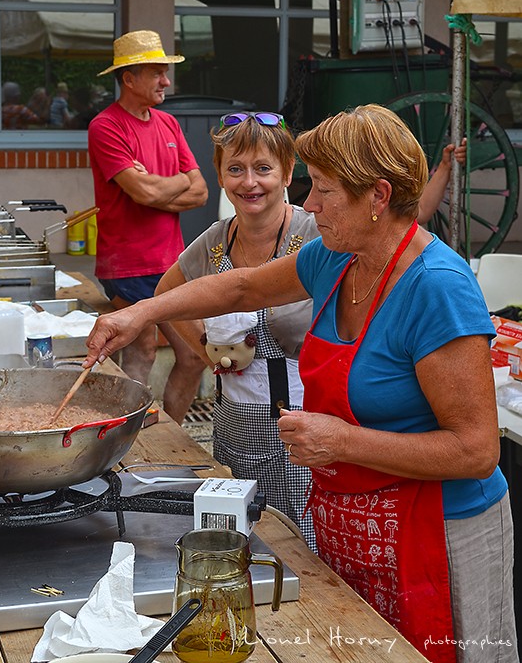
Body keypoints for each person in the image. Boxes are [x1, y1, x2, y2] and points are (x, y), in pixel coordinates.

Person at [85, 103, 516, 662]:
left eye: (325, 191)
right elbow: (238, 289)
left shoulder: (438, 288)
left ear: (378, 196)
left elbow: (477, 450)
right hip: (352, 521)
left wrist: (339, 442)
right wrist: (139, 314)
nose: (309, 204)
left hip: (440, 534)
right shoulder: (337, 259)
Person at [154, 111, 319, 547]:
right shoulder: (215, 241)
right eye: (236, 169)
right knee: (242, 540)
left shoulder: (315, 233)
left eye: (263, 168)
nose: (249, 182)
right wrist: (204, 348)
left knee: (302, 547)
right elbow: (165, 295)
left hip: (304, 425)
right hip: (232, 425)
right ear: (221, 175)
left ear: (287, 172)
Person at [88, 29, 208, 419]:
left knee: (194, 355)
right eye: (157, 72)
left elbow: (202, 191)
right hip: (128, 266)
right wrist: (175, 184)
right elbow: (143, 193)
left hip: (171, 262)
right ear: (129, 78)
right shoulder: (105, 127)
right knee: (140, 351)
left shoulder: (169, 124)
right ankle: (129, 443)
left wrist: (160, 186)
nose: (166, 81)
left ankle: (167, 438)